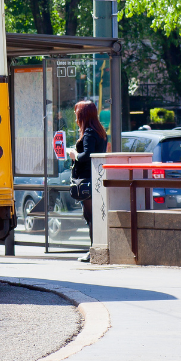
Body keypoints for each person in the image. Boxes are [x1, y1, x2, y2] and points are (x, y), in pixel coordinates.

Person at [67, 99, 109, 261]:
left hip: (87, 180)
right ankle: (95, 249)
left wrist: (74, 155)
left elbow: (86, 155)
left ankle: (93, 251)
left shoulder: (89, 132)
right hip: (96, 178)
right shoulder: (99, 131)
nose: (75, 117)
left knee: (90, 216)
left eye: (76, 114)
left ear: (82, 115)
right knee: (94, 216)